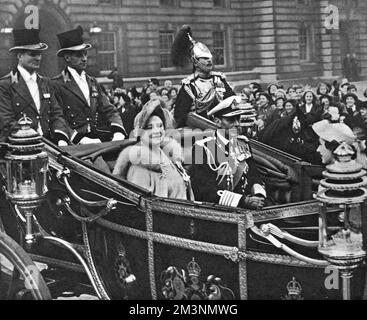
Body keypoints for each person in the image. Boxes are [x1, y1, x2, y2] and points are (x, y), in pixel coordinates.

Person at [188, 96, 266, 209]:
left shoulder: (243, 143)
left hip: (248, 208)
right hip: (219, 212)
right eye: (231, 120)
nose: (237, 124)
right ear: (217, 121)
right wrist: (243, 201)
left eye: (238, 119)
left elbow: (254, 175)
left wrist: (258, 195)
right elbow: (202, 189)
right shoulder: (202, 148)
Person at [51, 26, 126, 145]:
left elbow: (109, 109)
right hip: (74, 142)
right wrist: (78, 138)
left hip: (96, 138)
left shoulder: (92, 82)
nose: (84, 59)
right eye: (79, 55)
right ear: (67, 57)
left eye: (85, 54)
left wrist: (118, 131)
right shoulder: (57, 84)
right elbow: (57, 118)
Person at [0, 28, 70, 145]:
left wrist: (60, 137)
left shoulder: (46, 83)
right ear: (19, 56)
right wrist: (32, 138)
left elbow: (56, 114)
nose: (38, 58)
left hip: (50, 143)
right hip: (19, 145)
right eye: (32, 54)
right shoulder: (5, 85)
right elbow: (7, 122)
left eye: (39, 54)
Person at [113, 99, 193, 200]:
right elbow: (143, 210)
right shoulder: (139, 168)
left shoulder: (170, 158)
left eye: (160, 126)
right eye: (149, 127)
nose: (157, 131)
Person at [172, 25, 235, 128]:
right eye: (205, 58)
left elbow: (232, 103)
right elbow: (180, 116)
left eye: (210, 58)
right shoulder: (189, 85)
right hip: (198, 133)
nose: (209, 61)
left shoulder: (220, 79)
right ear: (195, 61)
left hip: (223, 128)